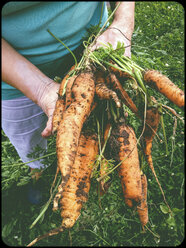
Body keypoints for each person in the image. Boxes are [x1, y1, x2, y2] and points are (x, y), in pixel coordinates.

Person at [2, 2, 135, 203]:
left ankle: (82, 172)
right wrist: (41, 89)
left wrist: (121, 25)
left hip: (94, 47)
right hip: (13, 78)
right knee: (32, 143)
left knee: (94, 127)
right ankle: (38, 174)